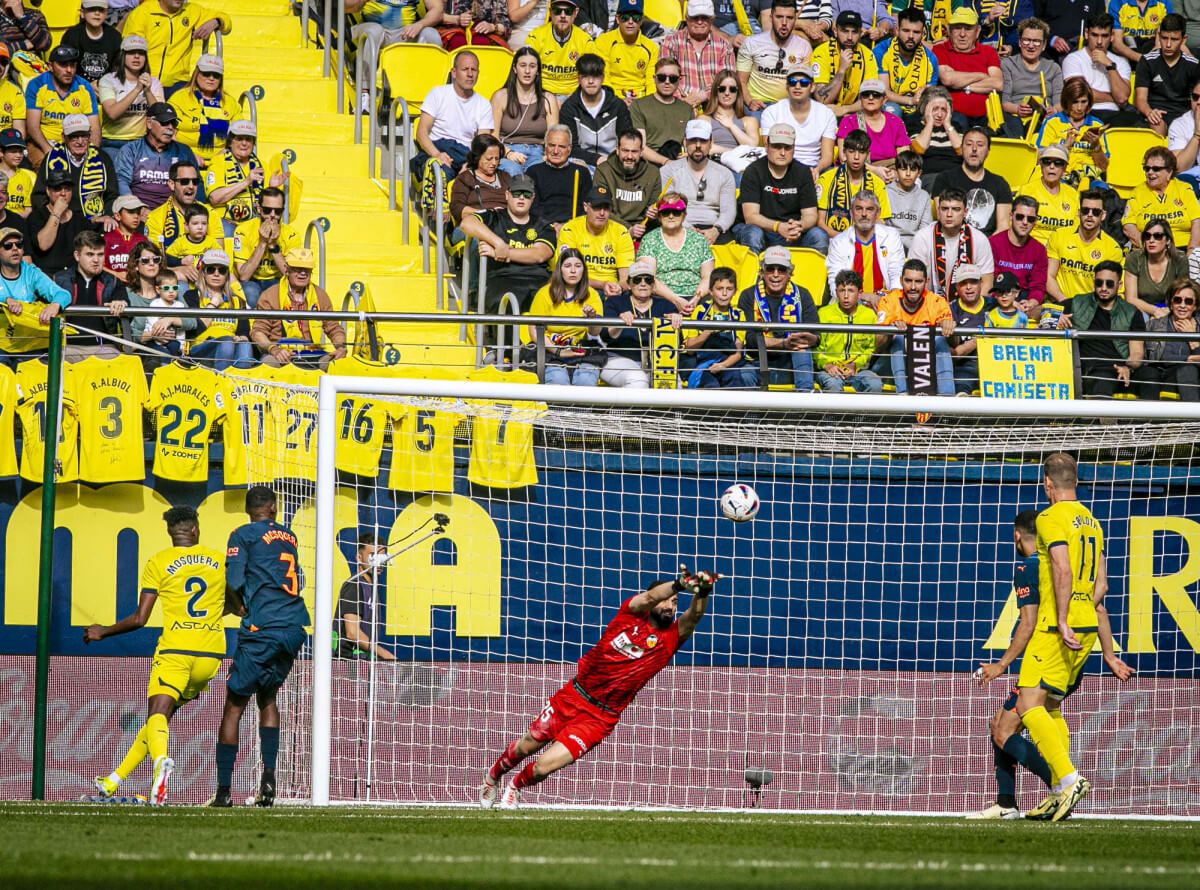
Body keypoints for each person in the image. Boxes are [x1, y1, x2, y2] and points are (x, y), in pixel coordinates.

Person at [481, 567, 717, 807]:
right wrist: (678, 584)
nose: (670, 606)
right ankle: (493, 777)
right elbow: (648, 598)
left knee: (543, 767)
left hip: (600, 718)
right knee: (527, 745)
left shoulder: (670, 639)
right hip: (573, 696)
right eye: (666, 600)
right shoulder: (629, 615)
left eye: (675, 602)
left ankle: (515, 786)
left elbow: (694, 615)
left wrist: (704, 591)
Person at [84, 505, 229, 807]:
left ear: (170, 533)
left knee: (157, 714)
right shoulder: (218, 560)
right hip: (211, 654)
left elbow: (140, 618)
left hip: (176, 649)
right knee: (158, 720)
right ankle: (114, 780)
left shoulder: (159, 562)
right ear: (195, 530)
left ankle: (161, 763)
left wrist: (103, 631)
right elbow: (238, 606)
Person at [1014, 453, 1118, 821]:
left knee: (1027, 705)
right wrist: (1082, 611)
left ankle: (1070, 779)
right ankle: (1060, 790)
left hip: (1057, 626)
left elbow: (1061, 567)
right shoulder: (1093, 522)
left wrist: (1061, 618)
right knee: (1051, 706)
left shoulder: (1049, 517)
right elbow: (1102, 583)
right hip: (1087, 623)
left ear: (1047, 484)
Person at [211, 486, 310, 809]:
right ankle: (268, 777)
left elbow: (233, 581)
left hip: (262, 627)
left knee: (234, 706)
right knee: (268, 697)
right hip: (293, 626)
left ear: (248, 509)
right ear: (274, 507)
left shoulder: (242, 534)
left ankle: (224, 791)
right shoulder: (289, 536)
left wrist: (237, 606)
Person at [967, 511, 1056, 821]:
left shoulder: (1028, 567)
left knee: (1004, 730)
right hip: (1063, 661)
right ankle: (1006, 802)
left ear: (1017, 535)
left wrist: (1001, 664)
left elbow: (1028, 623)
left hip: (1043, 661)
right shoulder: (1057, 565)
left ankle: (1063, 786)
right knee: (999, 725)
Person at [459, 174, 556, 310]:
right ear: (507, 195)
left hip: (538, 280)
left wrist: (504, 253)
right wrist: (498, 243)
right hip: (501, 279)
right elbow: (467, 223)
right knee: (504, 303)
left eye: (527, 194)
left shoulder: (543, 224)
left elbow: (540, 254)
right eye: (516, 193)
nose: (521, 197)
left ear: (533, 197)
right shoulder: (494, 217)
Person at [1057, 260, 1146, 398]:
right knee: (1103, 379)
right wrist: (1055, 315)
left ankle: (1156, 413)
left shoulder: (1131, 312)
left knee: (1150, 375)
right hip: (1091, 369)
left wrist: (1128, 367)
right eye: (1099, 283)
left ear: (1119, 285)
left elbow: (1137, 352)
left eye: (1109, 284)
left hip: (1121, 368)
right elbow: (1037, 311)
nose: (1103, 288)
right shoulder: (1077, 302)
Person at [251, 249, 349, 370]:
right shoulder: (270, 295)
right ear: (287, 269)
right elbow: (258, 332)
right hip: (282, 353)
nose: (303, 273)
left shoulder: (320, 295)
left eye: (307, 269)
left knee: (337, 364)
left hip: (313, 352)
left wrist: (340, 348)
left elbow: (334, 328)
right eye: (297, 269)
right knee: (268, 364)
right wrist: (274, 349)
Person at [737, 245, 818, 389]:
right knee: (744, 375)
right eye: (770, 269)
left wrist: (811, 339)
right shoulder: (748, 295)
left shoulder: (803, 295)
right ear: (762, 272)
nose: (775, 274)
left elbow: (815, 333)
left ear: (789, 273)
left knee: (802, 351)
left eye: (781, 269)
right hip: (756, 361)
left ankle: (805, 401)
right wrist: (783, 343)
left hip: (792, 362)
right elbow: (749, 339)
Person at [734, 123, 823, 253]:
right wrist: (778, 227)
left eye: (787, 147)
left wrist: (799, 226)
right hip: (761, 228)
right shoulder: (753, 171)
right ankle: (753, 267)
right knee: (753, 234)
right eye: (776, 146)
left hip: (793, 230)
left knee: (819, 236)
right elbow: (751, 216)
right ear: (766, 146)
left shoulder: (803, 172)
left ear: (794, 148)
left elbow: (810, 214)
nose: (782, 153)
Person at [346, 0, 445, 114]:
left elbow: (438, 9)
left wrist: (419, 24)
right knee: (374, 31)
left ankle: (432, 98)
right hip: (370, 28)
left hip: (404, 33)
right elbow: (346, 6)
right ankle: (364, 95)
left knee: (431, 35)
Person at [523, 247, 605, 385]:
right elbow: (534, 332)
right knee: (557, 378)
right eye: (567, 266)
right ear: (560, 270)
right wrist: (558, 352)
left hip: (581, 350)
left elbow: (595, 332)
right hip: (549, 350)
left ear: (583, 270)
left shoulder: (592, 294)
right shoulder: (544, 293)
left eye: (577, 266)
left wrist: (592, 319)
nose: (573, 271)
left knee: (585, 379)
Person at [875, 258, 956, 395]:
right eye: (908, 281)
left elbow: (954, 343)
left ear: (926, 282)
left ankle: (947, 397)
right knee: (899, 339)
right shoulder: (888, 301)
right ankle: (903, 396)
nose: (913, 287)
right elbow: (878, 345)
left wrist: (949, 328)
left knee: (941, 340)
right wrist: (891, 330)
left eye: (918, 281)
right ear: (901, 281)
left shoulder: (937, 302)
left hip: (927, 365)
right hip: (890, 365)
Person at [598, 257, 683, 386]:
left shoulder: (666, 305)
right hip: (618, 358)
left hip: (657, 362)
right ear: (629, 284)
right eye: (637, 280)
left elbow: (678, 342)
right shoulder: (615, 302)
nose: (643, 284)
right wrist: (620, 323)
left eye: (648, 280)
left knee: (673, 383)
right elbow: (606, 336)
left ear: (653, 285)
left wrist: (675, 325)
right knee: (638, 379)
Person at [413, 51, 495, 182]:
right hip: (437, 151)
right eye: (465, 69)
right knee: (441, 171)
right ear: (454, 72)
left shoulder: (484, 104)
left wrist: (470, 165)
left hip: (465, 157)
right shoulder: (438, 94)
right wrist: (437, 154)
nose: (470, 74)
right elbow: (421, 133)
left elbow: (482, 144)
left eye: (474, 70)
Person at [122, 0, 231, 93]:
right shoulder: (142, 13)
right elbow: (129, 49)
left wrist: (216, 21)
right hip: (144, 80)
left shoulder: (192, 11)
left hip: (178, 83)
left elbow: (227, 21)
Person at [53, 229, 126, 361]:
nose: (96, 260)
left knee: (118, 362)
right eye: (90, 254)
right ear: (77, 256)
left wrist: (121, 303)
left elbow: (125, 305)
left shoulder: (113, 281)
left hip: (104, 347)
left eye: (100, 254)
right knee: (58, 360)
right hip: (67, 346)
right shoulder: (58, 280)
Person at [659, 118, 736, 242]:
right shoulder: (669, 171)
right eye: (693, 140)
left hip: (714, 228)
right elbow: (669, 206)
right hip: (678, 225)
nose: (698, 145)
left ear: (711, 143)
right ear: (685, 142)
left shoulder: (724, 174)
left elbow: (728, 211)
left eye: (703, 141)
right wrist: (687, 228)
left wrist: (716, 229)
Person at [909, 187, 994, 298]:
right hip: (930, 302)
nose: (949, 214)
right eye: (944, 209)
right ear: (938, 211)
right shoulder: (922, 237)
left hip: (967, 304)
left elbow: (987, 283)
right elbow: (914, 279)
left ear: (965, 212)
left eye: (956, 209)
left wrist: (973, 306)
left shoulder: (979, 239)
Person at [34, 113, 117, 226]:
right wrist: (54, 215)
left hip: (96, 221)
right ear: (64, 137)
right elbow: (39, 196)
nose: (80, 141)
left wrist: (107, 215)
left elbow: (112, 194)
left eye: (84, 136)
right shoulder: (51, 159)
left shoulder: (102, 158)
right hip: (61, 220)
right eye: (74, 137)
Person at [115, 102, 201, 210]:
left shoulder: (184, 152)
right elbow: (121, 181)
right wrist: (136, 208)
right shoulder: (131, 150)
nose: (170, 128)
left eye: (173, 123)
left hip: (175, 211)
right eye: (165, 123)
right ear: (149, 123)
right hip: (139, 211)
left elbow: (197, 184)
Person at [1044, 189, 1122, 309]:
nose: (1090, 215)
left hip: (1091, 308)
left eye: (1096, 212)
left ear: (1103, 215)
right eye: (1085, 210)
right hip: (1059, 303)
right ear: (1079, 212)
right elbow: (1048, 276)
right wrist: (1065, 302)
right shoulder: (1059, 236)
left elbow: (1108, 289)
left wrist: (1083, 308)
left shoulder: (1112, 249)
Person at [682, 266, 758, 388]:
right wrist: (707, 332)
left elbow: (738, 352)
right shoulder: (700, 312)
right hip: (705, 364)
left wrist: (723, 365)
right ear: (711, 291)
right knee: (710, 385)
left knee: (735, 381)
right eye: (719, 289)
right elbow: (690, 349)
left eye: (729, 289)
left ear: (735, 291)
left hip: (729, 363)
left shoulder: (738, 315)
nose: (724, 294)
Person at [636, 192, 714, 310]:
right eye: (666, 212)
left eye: (676, 212)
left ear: (684, 215)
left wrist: (696, 298)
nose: (671, 216)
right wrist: (676, 300)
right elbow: (648, 278)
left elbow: (708, 276)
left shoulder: (699, 240)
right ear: (659, 216)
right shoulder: (650, 239)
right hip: (661, 297)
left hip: (697, 296)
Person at [24, 45, 100, 165]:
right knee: (48, 165)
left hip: (75, 142)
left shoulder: (84, 87)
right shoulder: (37, 85)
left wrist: (92, 153)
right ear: (50, 66)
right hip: (43, 142)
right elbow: (32, 127)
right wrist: (48, 150)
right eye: (63, 65)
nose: (69, 70)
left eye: (72, 65)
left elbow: (94, 128)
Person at [825, 189, 904, 305]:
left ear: (878, 213)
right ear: (851, 213)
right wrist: (864, 297)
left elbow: (896, 274)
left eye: (869, 209)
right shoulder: (839, 242)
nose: (864, 214)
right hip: (851, 304)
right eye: (859, 209)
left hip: (885, 301)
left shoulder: (891, 236)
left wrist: (891, 301)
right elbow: (836, 284)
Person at [206, 120, 282, 237]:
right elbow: (214, 198)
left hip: (255, 222)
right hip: (227, 221)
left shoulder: (262, 165)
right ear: (230, 142)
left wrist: (272, 187)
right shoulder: (218, 161)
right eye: (239, 139)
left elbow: (267, 205)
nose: (244, 143)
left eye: (248, 139)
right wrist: (246, 182)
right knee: (224, 231)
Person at [737, 0, 813, 113]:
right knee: (753, 122)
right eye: (779, 17)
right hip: (758, 104)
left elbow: (805, 84)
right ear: (771, 17)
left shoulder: (804, 46)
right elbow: (741, 81)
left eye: (789, 18)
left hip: (789, 106)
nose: (784, 22)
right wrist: (749, 101)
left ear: (795, 19)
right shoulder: (751, 43)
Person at [932, 7, 1002, 130]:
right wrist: (981, 76)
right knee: (958, 122)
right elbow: (947, 79)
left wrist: (962, 85)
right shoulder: (940, 49)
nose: (962, 34)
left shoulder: (989, 52)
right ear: (949, 30)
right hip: (953, 116)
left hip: (987, 116)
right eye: (957, 28)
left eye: (968, 29)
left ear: (977, 31)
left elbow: (997, 84)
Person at [493, 46, 559, 176]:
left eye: (532, 66)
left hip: (538, 152)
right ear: (515, 68)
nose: (527, 71)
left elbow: (553, 137)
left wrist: (547, 156)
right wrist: (508, 153)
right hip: (508, 150)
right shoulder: (500, 96)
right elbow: (493, 136)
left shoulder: (548, 99)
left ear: (538, 70)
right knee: (513, 171)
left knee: (539, 173)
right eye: (523, 65)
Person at [934, 127, 1012, 236]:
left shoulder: (1000, 184)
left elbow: (1003, 227)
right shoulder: (945, 179)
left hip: (989, 244)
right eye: (969, 144)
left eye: (980, 145)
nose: (974, 149)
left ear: (988, 151)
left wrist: (984, 245)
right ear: (961, 148)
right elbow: (943, 218)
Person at [815, 128, 890, 241]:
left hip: (866, 239)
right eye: (851, 151)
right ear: (844, 152)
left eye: (861, 152)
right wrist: (844, 239)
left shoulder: (878, 184)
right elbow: (820, 222)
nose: (856, 157)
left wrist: (859, 238)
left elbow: (881, 221)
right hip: (833, 238)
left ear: (868, 154)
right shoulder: (826, 179)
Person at [98, 34, 166, 159]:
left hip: (143, 142)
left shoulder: (154, 82)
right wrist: (137, 89)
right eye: (131, 52)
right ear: (123, 55)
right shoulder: (108, 80)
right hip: (113, 141)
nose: (136, 56)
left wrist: (148, 91)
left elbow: (161, 117)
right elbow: (112, 113)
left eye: (141, 53)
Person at [560, 53, 634, 168]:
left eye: (595, 76)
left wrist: (611, 161)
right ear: (578, 78)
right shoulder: (569, 107)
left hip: (613, 162)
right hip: (581, 163)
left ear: (603, 78)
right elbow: (569, 147)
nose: (590, 81)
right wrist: (596, 159)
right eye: (585, 76)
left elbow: (627, 142)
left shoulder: (617, 106)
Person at [558, 185, 636, 295]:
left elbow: (625, 278)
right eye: (597, 207)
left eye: (606, 208)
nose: (602, 213)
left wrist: (619, 288)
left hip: (611, 291)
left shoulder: (621, 232)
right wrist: (602, 284)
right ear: (586, 207)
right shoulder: (570, 229)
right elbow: (568, 274)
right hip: (578, 287)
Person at [815, 268, 882, 393]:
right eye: (842, 290)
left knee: (875, 384)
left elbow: (870, 348)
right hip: (829, 369)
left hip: (858, 370)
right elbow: (815, 348)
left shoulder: (869, 316)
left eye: (851, 291)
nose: (846, 296)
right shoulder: (823, 314)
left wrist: (856, 365)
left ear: (859, 293)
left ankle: (863, 409)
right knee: (833, 384)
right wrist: (826, 365)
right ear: (836, 292)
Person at [1122, 146, 1200, 252]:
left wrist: (1191, 251)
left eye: (1156, 169)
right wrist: (1148, 246)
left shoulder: (1184, 189)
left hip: (1182, 248)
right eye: (1147, 168)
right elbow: (1128, 225)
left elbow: (1197, 221)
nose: (1150, 172)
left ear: (1169, 172)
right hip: (1149, 250)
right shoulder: (1137, 192)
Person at [760, 63, 836, 172]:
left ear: (812, 87)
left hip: (813, 167)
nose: (797, 86)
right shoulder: (771, 112)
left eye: (804, 83)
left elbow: (827, 156)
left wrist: (817, 170)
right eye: (792, 82)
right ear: (787, 86)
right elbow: (771, 150)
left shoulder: (826, 114)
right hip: (781, 166)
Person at [187, 249, 254, 371]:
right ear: (203, 273)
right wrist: (213, 304)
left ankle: (240, 381)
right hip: (200, 349)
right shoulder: (191, 296)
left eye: (221, 270)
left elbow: (243, 331)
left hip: (230, 346)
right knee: (226, 342)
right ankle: (221, 380)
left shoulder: (238, 301)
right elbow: (193, 330)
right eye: (211, 270)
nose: (216, 274)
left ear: (227, 275)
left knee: (244, 345)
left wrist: (242, 338)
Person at [168, 54, 241, 167]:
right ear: (196, 74)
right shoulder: (179, 98)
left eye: (216, 75)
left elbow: (239, 136)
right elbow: (168, 133)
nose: (211, 78)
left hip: (221, 159)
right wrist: (188, 154)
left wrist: (226, 153)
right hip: (183, 157)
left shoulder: (230, 103)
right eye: (206, 73)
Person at [660, 0, 736, 107]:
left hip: (714, 104)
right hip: (677, 103)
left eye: (704, 17)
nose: (699, 22)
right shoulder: (671, 42)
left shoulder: (724, 45)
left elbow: (727, 80)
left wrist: (704, 95)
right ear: (687, 18)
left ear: (712, 19)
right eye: (695, 17)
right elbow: (664, 77)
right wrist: (682, 101)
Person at [1061, 14, 1134, 125]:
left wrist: (1109, 65)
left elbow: (1122, 98)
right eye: (1094, 35)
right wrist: (1113, 98)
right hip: (1085, 112)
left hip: (1115, 115)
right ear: (1086, 34)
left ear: (1112, 36)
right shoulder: (1073, 59)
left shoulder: (1121, 62)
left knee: (1138, 125)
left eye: (1104, 36)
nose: (1099, 41)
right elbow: (1079, 94)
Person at [874, 6, 938, 133]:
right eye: (906, 30)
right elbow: (883, 92)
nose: (911, 36)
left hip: (917, 109)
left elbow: (928, 96)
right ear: (897, 30)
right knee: (893, 110)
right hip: (887, 105)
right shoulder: (881, 51)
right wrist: (910, 100)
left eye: (916, 32)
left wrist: (921, 98)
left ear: (923, 33)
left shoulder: (931, 59)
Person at [232, 187, 299, 306]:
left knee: (280, 294)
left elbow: (291, 276)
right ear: (259, 209)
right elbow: (244, 276)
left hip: (278, 280)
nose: (272, 215)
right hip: (251, 281)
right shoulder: (243, 230)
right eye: (267, 210)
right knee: (250, 292)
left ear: (282, 211)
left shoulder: (291, 234)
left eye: (277, 211)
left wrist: (273, 245)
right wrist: (262, 242)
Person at [1136, 277, 1200, 401]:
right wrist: (1190, 358)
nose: (1182, 305)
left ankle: (1194, 412)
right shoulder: (1154, 325)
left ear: (1195, 306)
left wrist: (1193, 340)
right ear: (1171, 303)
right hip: (1160, 373)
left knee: (1188, 370)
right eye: (1177, 300)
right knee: (1149, 373)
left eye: (1188, 301)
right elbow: (1160, 358)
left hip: (1190, 376)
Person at [1135, 14, 1200, 135]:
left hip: (1184, 114)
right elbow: (1140, 99)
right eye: (1164, 38)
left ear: (1184, 39)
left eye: (1174, 39)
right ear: (1159, 36)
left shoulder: (1193, 65)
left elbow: (1196, 100)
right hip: (1155, 112)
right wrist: (1149, 112)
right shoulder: (1147, 61)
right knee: (1156, 124)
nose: (1168, 44)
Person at [1036, 78, 1109, 185]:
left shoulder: (1097, 125)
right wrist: (1064, 147)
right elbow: (1038, 160)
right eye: (1075, 102)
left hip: (1090, 177)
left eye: (1083, 102)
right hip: (1061, 176)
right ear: (1066, 102)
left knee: (1103, 189)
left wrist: (1096, 147)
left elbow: (1103, 167)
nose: (1079, 108)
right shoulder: (1052, 122)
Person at [999, 17, 1062, 138]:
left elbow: (1060, 103)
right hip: (1015, 118)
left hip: (1044, 120)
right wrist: (1018, 109)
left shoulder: (1053, 68)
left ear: (1044, 45)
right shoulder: (1008, 64)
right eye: (1026, 40)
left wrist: (1053, 110)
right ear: (1019, 42)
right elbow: (1005, 102)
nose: (1031, 46)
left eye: (1037, 41)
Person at [336, 534, 396, 661]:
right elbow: (352, 633)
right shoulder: (354, 586)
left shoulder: (371, 587)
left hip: (362, 660)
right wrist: (385, 654)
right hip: (346, 662)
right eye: (372, 556)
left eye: (381, 557)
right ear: (359, 557)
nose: (378, 562)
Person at [810, 10, 880, 117]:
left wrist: (845, 109)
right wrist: (841, 70)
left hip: (854, 112)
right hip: (825, 112)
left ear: (861, 33)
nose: (849, 37)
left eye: (854, 32)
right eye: (845, 31)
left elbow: (872, 100)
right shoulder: (821, 52)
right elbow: (822, 99)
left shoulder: (868, 55)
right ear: (835, 31)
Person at [834, 78, 908, 178]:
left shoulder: (895, 122)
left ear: (884, 99)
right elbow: (844, 158)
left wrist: (895, 174)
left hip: (891, 170)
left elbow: (904, 157)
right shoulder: (849, 122)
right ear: (860, 99)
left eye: (876, 95)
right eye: (866, 94)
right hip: (859, 172)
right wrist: (874, 170)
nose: (871, 98)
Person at [593, 129, 660, 234]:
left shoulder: (653, 173)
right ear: (617, 150)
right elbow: (602, 209)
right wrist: (627, 229)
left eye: (634, 151)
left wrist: (653, 214)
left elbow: (653, 207)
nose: (629, 156)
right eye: (625, 150)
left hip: (642, 229)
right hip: (610, 228)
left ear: (641, 152)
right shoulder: (603, 171)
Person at [29, 171, 96, 276]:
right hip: (46, 277)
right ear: (48, 191)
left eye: (67, 189)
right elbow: (43, 245)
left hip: (73, 277)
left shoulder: (80, 220)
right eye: (57, 189)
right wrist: (56, 213)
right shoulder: (36, 216)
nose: (63, 193)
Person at [146, 160, 220, 253]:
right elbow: (155, 256)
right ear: (172, 184)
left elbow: (218, 256)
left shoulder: (210, 213)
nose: (191, 186)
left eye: (195, 181)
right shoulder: (155, 218)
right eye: (184, 181)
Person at [526, 0, 595, 100]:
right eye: (557, 11)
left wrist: (575, 98)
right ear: (550, 12)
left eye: (568, 11)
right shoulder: (536, 36)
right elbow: (526, 70)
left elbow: (591, 75)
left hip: (574, 95)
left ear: (575, 13)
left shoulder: (585, 41)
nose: (563, 15)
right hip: (542, 93)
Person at [526, 125, 592, 229]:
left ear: (569, 149)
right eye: (552, 145)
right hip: (542, 228)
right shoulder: (533, 172)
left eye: (562, 146)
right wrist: (551, 226)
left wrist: (568, 226)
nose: (556, 151)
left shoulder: (582, 172)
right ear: (545, 147)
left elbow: (587, 207)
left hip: (574, 227)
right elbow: (533, 208)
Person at [631, 58, 694, 166]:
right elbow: (640, 146)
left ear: (679, 80)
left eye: (673, 78)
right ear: (654, 78)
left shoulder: (687, 109)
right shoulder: (639, 106)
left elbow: (689, 144)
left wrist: (688, 155)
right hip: (648, 166)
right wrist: (666, 162)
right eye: (662, 77)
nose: (667, 82)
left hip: (679, 163)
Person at [592, 0, 659, 102]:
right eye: (625, 17)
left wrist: (647, 102)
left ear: (641, 21)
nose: (630, 22)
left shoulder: (651, 47)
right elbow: (603, 77)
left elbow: (651, 81)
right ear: (617, 19)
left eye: (636, 18)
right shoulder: (603, 42)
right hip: (612, 98)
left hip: (641, 99)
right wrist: (618, 99)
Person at [989, 195, 1047, 308]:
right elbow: (990, 282)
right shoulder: (993, 243)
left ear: (1035, 221)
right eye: (1020, 217)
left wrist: (1032, 302)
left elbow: (1038, 286)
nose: (1025, 222)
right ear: (1011, 216)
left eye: (1030, 219)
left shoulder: (1039, 249)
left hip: (1025, 299)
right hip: (998, 296)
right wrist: (1009, 303)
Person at [1016, 143, 1079, 247]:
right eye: (1047, 162)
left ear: (1064, 168)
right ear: (1041, 166)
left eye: (1058, 163)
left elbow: (1076, 231)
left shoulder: (1073, 194)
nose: (1052, 167)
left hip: (1063, 249)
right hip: (1031, 247)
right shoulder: (1027, 191)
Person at [1124, 219, 1189, 316]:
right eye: (1147, 236)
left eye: (1157, 236)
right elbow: (1131, 299)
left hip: (1171, 309)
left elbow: (1183, 295)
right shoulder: (1134, 258)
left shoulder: (1179, 259)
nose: (1151, 240)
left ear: (1168, 240)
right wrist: (1155, 311)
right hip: (1142, 309)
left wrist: (1166, 312)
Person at [449, 134, 511, 237]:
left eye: (497, 158)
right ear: (477, 157)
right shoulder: (465, 178)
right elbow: (457, 208)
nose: (494, 163)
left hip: (503, 226)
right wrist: (488, 215)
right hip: (474, 226)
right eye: (489, 159)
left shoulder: (505, 177)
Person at [699, 68, 761, 170]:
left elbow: (752, 146)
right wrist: (737, 152)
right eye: (722, 89)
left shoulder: (749, 121)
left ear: (737, 92)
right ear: (716, 91)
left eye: (732, 89)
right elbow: (708, 148)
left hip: (742, 167)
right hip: (715, 164)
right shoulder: (704, 119)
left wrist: (731, 125)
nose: (727, 93)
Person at [909, 85, 962, 193]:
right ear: (925, 108)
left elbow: (962, 150)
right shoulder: (915, 126)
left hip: (955, 175)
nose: (939, 114)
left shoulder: (955, 128)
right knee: (939, 184)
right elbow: (919, 149)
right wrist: (929, 123)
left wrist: (947, 124)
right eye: (935, 109)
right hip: (930, 176)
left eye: (944, 109)